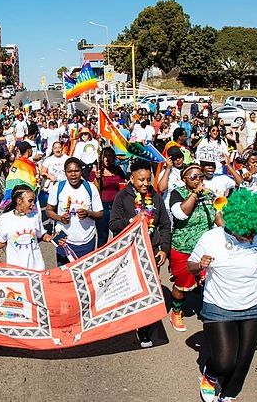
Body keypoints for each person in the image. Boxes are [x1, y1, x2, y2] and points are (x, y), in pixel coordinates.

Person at [188, 189, 257, 402]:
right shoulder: (211, 238)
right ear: (235, 224)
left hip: (253, 306)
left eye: (254, 233)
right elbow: (190, 266)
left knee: (243, 359)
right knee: (225, 362)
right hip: (219, 307)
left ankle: (228, 394)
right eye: (246, 234)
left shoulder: (255, 235)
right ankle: (210, 373)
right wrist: (200, 265)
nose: (251, 237)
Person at [109, 160, 170, 348]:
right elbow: (113, 225)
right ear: (132, 179)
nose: (145, 184)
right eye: (141, 180)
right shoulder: (122, 197)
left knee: (149, 290)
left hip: (151, 251)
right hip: (129, 251)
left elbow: (165, 226)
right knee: (131, 289)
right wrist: (131, 220)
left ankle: (144, 328)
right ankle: (127, 321)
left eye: (148, 180)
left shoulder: (156, 198)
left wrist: (164, 250)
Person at [168, 163, 222, 331]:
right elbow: (180, 213)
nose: (198, 180)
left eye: (201, 176)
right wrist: (194, 193)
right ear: (184, 179)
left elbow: (218, 216)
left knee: (211, 281)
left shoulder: (209, 194)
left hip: (205, 248)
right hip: (183, 247)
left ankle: (211, 312)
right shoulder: (177, 193)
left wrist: (227, 232)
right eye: (193, 177)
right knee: (182, 285)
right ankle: (176, 312)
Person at [0, 185, 53, 270]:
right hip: (15, 269)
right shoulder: (5, 218)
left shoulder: (35, 216)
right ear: (19, 201)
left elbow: (42, 235)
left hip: (37, 267)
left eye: (34, 201)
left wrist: (50, 238)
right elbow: (1, 242)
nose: (33, 204)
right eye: (30, 201)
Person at [46, 157, 103, 265]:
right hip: (64, 241)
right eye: (70, 171)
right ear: (65, 172)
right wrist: (60, 218)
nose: (73, 174)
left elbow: (100, 213)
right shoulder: (59, 187)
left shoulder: (90, 188)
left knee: (84, 275)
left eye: (76, 171)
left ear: (81, 171)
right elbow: (49, 210)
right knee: (64, 276)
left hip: (86, 241)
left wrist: (88, 214)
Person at [94, 147, 126, 246]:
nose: (107, 159)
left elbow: (123, 184)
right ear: (101, 158)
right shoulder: (97, 170)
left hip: (116, 206)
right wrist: (96, 178)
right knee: (102, 237)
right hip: (102, 206)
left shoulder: (118, 170)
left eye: (110, 156)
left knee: (118, 236)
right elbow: (94, 190)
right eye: (105, 156)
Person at [157, 146, 186, 226]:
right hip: (169, 207)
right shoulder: (166, 171)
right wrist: (168, 169)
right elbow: (161, 188)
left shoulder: (188, 168)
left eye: (179, 157)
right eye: (174, 158)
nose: (177, 160)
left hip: (185, 207)